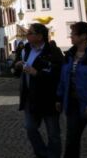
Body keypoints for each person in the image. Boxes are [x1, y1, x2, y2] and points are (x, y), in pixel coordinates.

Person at [56, 21, 87, 158]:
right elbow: (63, 78)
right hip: (73, 105)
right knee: (71, 141)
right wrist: (59, 98)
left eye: (73, 34)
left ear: (83, 36)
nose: (70, 36)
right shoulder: (69, 55)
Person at [12, 23, 63, 158]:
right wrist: (17, 66)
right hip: (30, 97)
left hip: (48, 98)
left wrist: (36, 73)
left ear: (40, 36)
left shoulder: (53, 52)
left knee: (53, 133)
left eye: (30, 33)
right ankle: (43, 154)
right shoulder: (26, 49)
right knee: (30, 128)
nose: (27, 35)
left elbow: (57, 76)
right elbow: (16, 69)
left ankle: (53, 156)